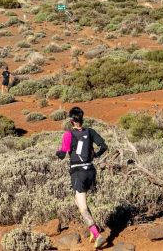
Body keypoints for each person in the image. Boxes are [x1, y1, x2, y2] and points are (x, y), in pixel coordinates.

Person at [56, 107, 108, 249]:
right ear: (82, 118)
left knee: (83, 207)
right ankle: (93, 230)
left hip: (78, 172)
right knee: (78, 202)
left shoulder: (68, 134)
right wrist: (95, 155)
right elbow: (104, 146)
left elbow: (63, 154)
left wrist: (57, 153)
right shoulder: (90, 132)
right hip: (91, 171)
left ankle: (97, 235)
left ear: (71, 120)